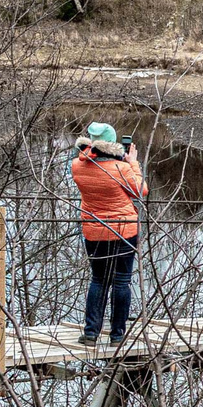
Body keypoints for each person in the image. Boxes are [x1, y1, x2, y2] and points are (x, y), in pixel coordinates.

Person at [68, 123, 147, 347]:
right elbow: (140, 191)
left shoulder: (76, 166)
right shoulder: (121, 168)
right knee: (121, 281)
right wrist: (132, 163)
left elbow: (91, 161)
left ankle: (91, 333)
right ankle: (117, 335)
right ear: (111, 144)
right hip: (124, 230)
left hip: (93, 231)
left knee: (98, 279)